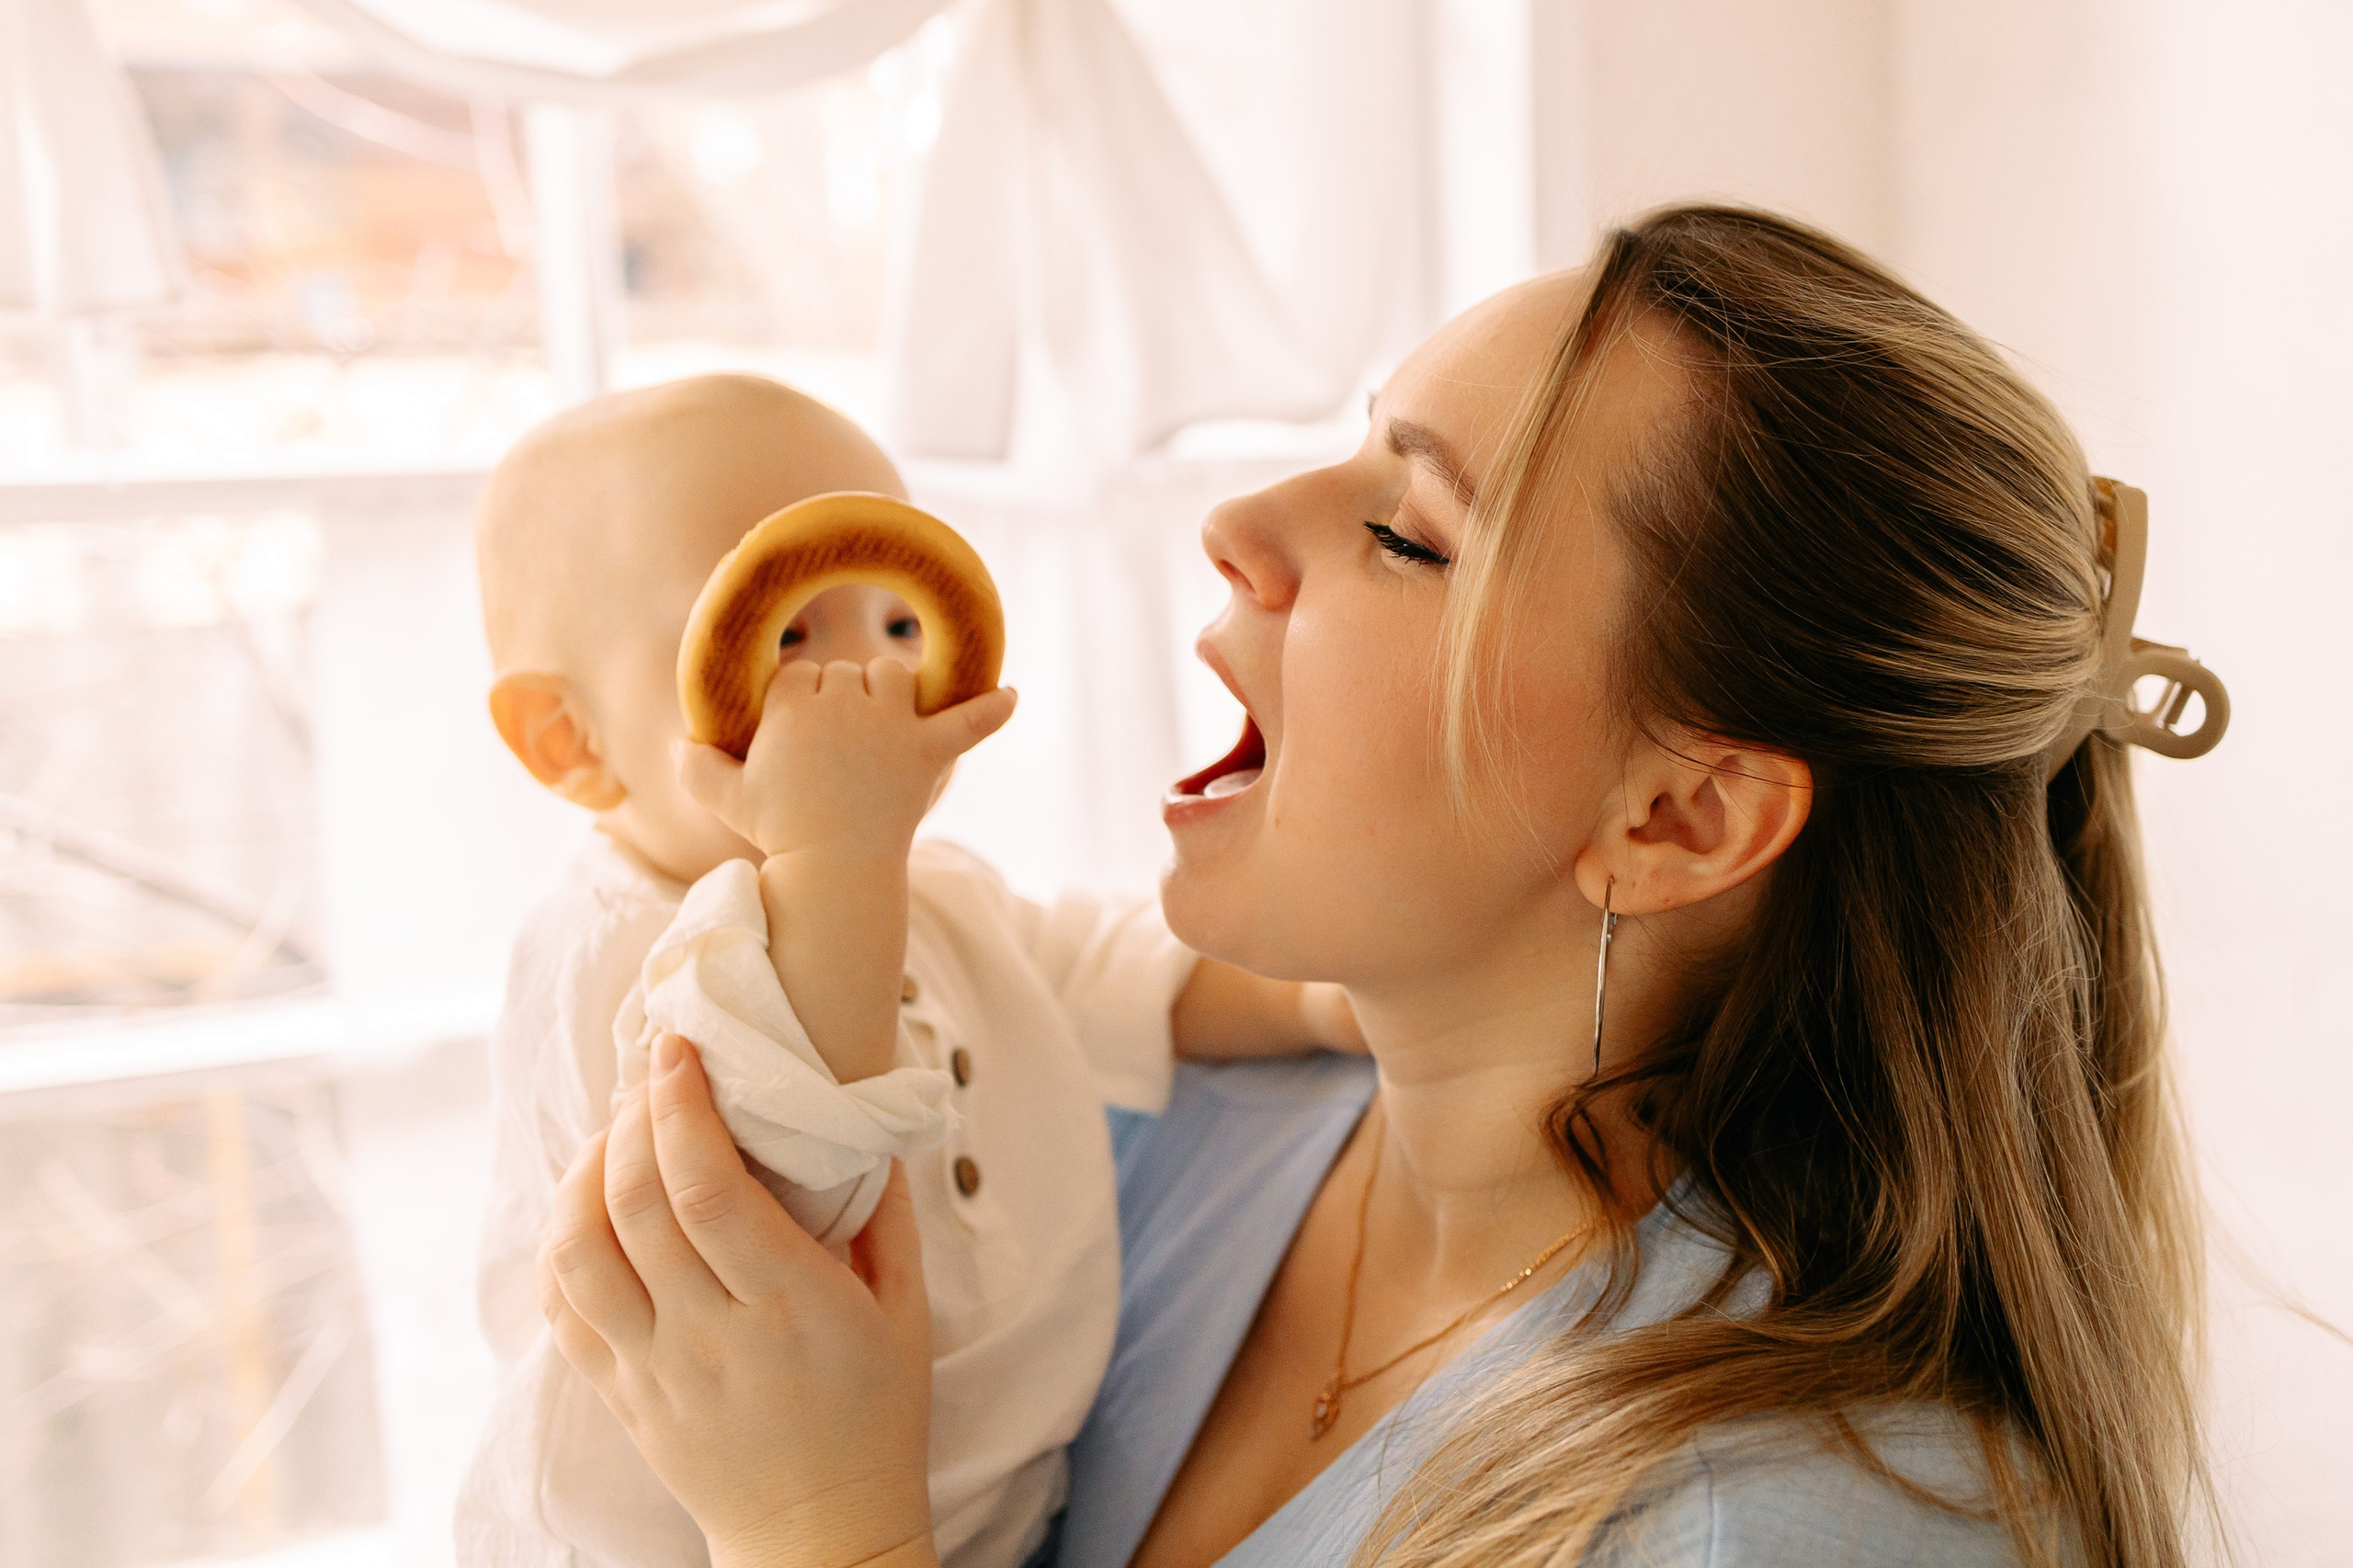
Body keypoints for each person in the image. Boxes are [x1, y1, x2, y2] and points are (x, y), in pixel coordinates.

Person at [533, 208, 2227, 1568]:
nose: (1237, 519)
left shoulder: (1786, 1525)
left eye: (1410, 533)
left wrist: (821, 1527)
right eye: (1355, 449)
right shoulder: (1133, 1139)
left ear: (1680, 817)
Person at [458, 373, 1361, 1568]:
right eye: (790, 637)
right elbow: (778, 1161)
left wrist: (1332, 990)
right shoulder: (604, 955)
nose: (870, 684)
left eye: (893, 624)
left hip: (1000, 1522)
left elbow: (1112, 969)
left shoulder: (933, 896)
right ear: (568, 740)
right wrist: (837, 854)